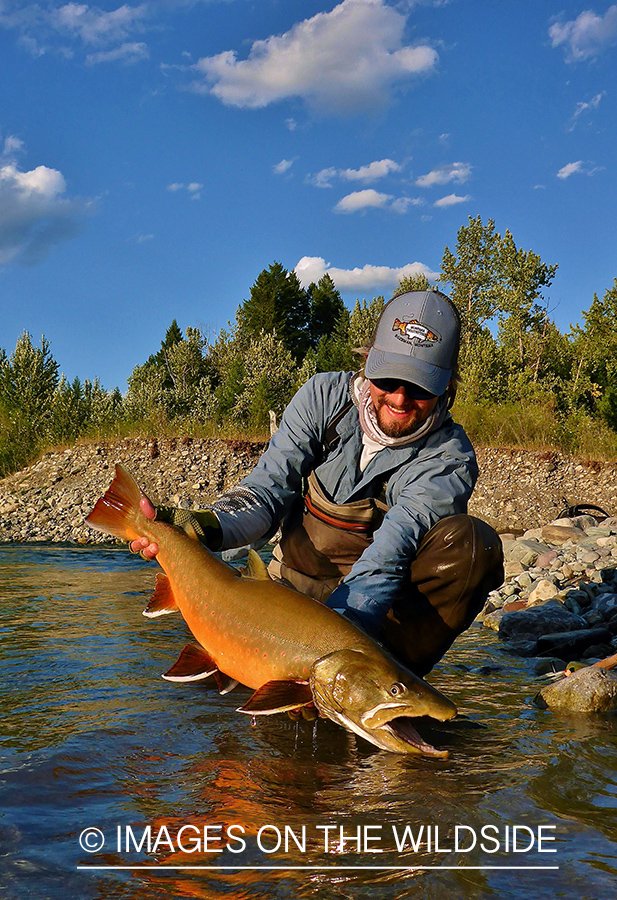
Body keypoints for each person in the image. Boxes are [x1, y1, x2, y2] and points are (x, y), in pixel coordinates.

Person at [131, 290, 504, 676]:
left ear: (446, 386)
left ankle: (386, 684)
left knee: (472, 543)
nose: (399, 397)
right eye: (388, 377)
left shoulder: (447, 458)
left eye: (420, 386)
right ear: (368, 362)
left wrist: (335, 661)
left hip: (370, 617)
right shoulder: (324, 398)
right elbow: (266, 492)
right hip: (284, 599)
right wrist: (207, 525)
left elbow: (388, 557)